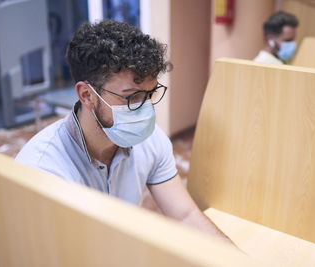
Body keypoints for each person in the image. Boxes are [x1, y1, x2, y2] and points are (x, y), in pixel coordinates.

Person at [16, 20, 232, 244]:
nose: (145, 109)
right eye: (132, 98)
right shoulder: (41, 170)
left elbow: (185, 216)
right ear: (87, 95)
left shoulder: (150, 140)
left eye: (150, 95)